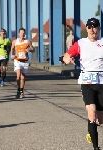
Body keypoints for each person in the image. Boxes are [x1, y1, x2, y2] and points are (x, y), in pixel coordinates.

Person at [61, 18, 102, 150]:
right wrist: (66, 58)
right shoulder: (81, 43)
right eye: (89, 27)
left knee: (100, 120)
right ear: (87, 29)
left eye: (94, 26)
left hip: (101, 82)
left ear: (99, 28)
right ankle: (96, 148)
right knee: (91, 112)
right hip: (87, 82)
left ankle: (92, 131)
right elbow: (66, 55)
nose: (92, 29)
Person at [11, 27, 35, 98]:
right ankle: (18, 90)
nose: (22, 34)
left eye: (23, 33)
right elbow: (12, 48)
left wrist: (30, 50)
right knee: (18, 76)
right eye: (21, 33)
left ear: (25, 34)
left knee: (23, 77)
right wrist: (12, 54)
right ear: (19, 33)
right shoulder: (15, 41)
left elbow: (33, 49)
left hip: (25, 61)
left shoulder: (27, 41)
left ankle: (21, 90)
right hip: (17, 60)